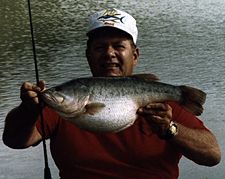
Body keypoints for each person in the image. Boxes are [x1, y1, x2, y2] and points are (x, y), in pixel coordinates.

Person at [3, 8, 221, 179]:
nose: (109, 54)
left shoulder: (162, 105)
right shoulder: (67, 100)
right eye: (100, 47)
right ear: (88, 55)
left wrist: (170, 129)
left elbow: (212, 155)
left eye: (118, 46)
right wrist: (28, 110)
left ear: (135, 55)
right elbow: (15, 141)